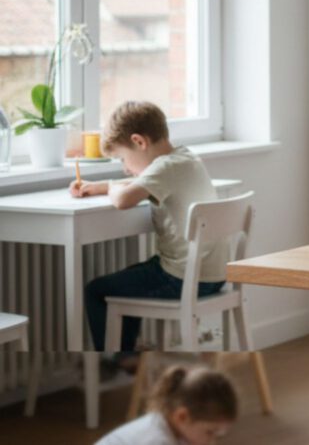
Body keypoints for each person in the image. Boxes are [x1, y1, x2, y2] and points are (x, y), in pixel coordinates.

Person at [71, 101, 225, 352]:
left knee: (98, 291)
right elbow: (140, 182)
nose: (125, 167)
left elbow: (123, 200)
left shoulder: (163, 168)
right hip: (212, 276)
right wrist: (98, 186)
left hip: (182, 279)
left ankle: (119, 360)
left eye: (123, 158)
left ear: (139, 142)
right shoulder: (184, 157)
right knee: (131, 281)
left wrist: (110, 188)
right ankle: (128, 356)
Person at [96, 364, 238, 445]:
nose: (212, 442)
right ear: (182, 417)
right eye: (210, 433)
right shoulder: (156, 440)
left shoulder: (171, 425)